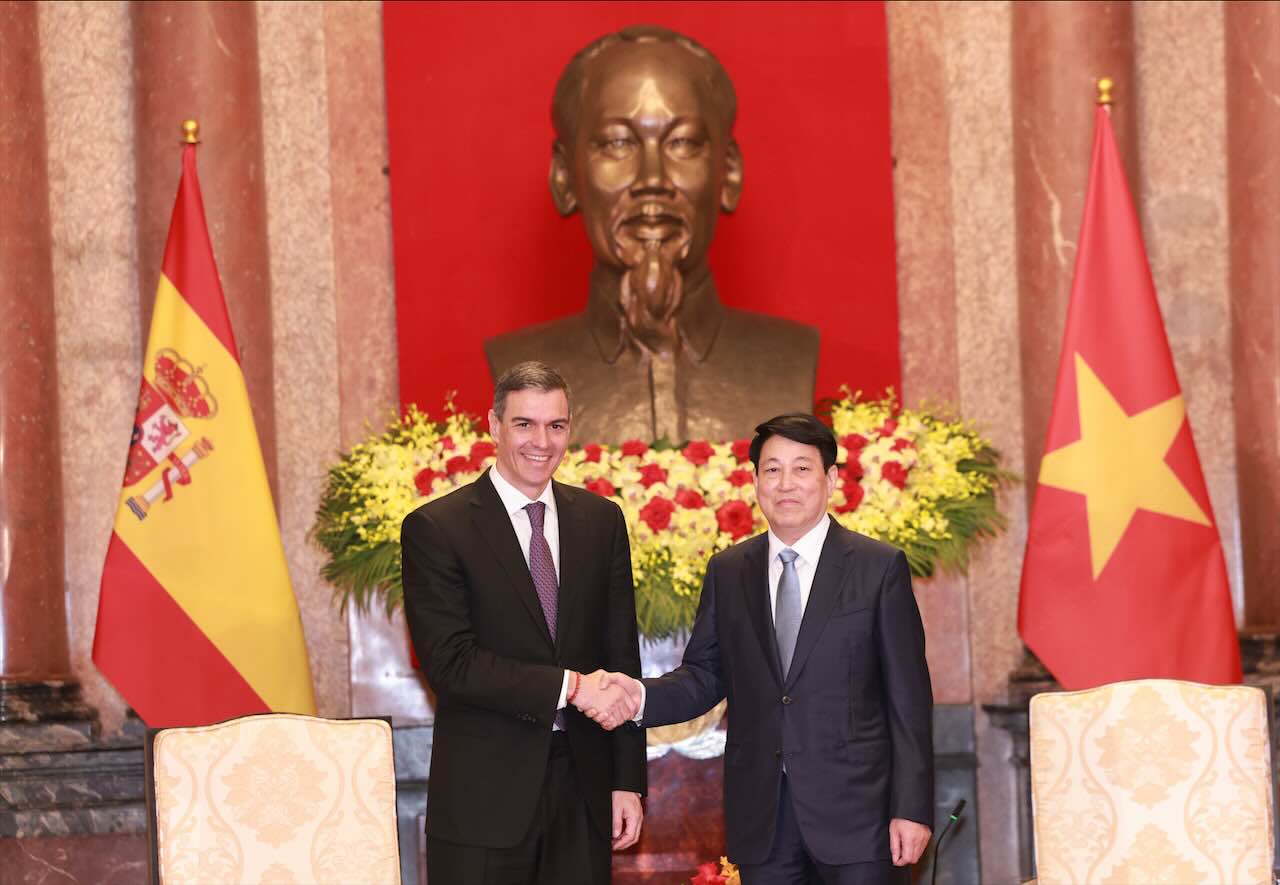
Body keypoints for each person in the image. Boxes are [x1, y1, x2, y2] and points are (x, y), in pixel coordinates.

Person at [594, 413, 934, 884]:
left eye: (802, 468)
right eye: (772, 469)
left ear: (831, 479)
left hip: (861, 818)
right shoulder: (729, 570)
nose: (785, 483)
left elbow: (908, 700)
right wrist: (638, 696)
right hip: (763, 820)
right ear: (754, 482)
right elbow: (704, 676)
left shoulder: (878, 568)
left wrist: (912, 808)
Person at [485, 25, 819, 444]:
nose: (652, 179)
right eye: (617, 143)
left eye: (682, 142)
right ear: (565, 176)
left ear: (729, 172)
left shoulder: (791, 358)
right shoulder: (514, 364)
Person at [401, 360, 646, 885]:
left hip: (583, 792)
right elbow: (451, 665)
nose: (542, 441)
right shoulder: (437, 528)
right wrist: (571, 686)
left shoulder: (601, 521)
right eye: (524, 424)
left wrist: (627, 780)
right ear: (494, 426)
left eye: (556, 425)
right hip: (483, 803)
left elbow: (622, 657)